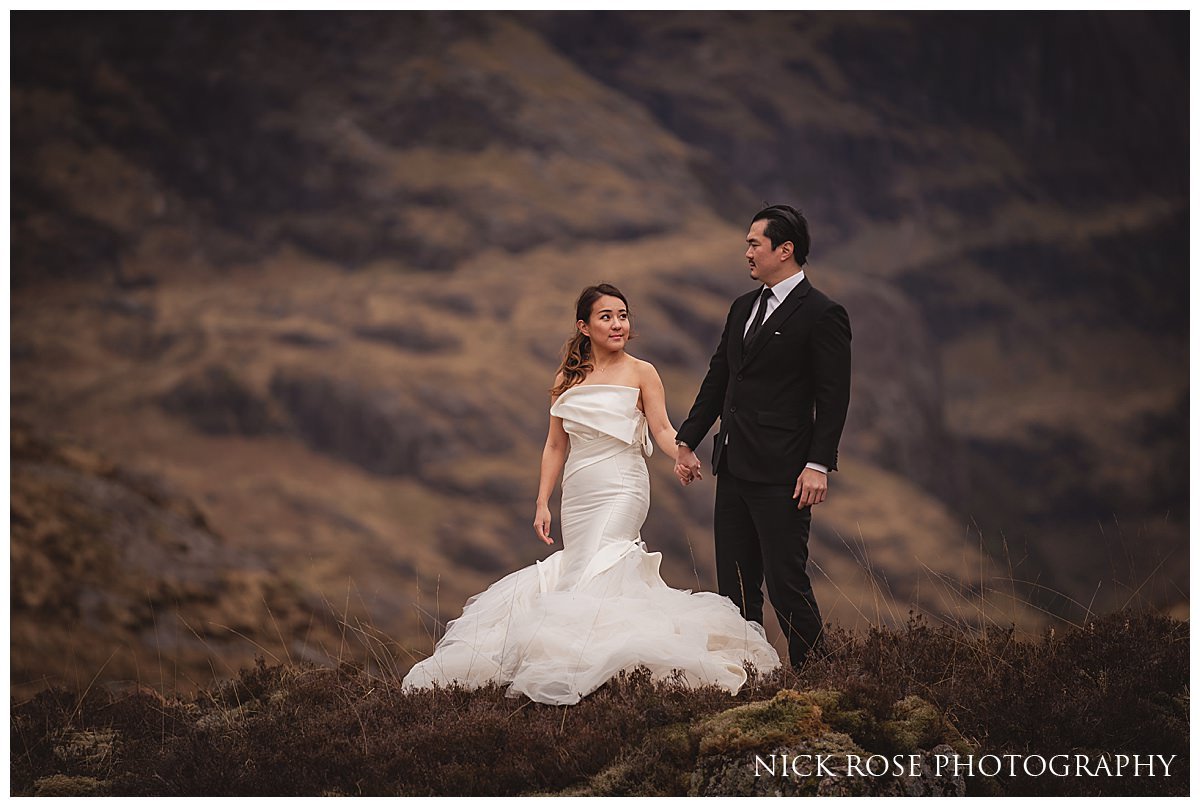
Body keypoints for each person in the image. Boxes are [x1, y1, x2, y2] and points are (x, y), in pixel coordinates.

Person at [403, 283, 780, 705]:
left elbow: (660, 428)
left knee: (607, 560)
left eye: (622, 315)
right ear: (584, 326)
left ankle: (593, 662)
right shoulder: (568, 378)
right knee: (580, 569)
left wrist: (683, 453)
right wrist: (543, 500)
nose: (618, 324)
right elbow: (555, 445)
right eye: (606, 316)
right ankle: (593, 665)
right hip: (579, 493)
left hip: (623, 485)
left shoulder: (642, 372)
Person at [674, 205, 852, 670]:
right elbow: (720, 380)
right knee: (734, 588)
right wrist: (688, 438)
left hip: (785, 473)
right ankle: (744, 678)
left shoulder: (822, 314)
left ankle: (820, 679)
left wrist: (818, 465)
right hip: (732, 466)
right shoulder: (742, 307)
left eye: (755, 243)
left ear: (784, 249)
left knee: (785, 583)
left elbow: (833, 399)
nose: (747, 252)